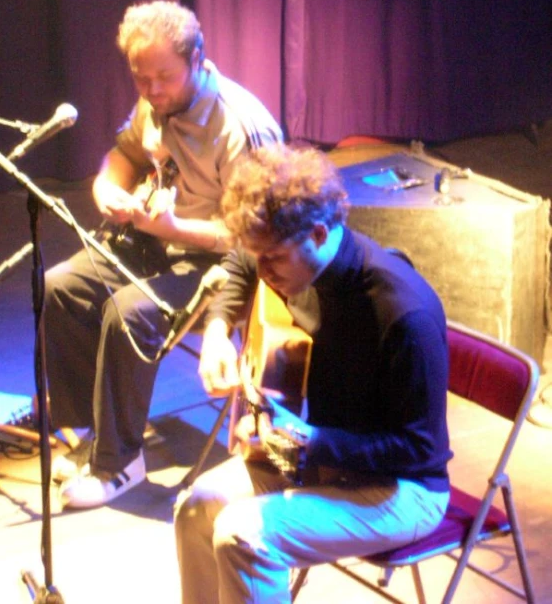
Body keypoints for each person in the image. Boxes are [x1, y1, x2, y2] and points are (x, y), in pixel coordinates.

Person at [174, 144, 452, 604]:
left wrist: (307, 440)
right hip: (325, 460)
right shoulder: (291, 255)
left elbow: (420, 448)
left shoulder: (403, 312)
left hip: (403, 490)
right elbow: (244, 263)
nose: (263, 271)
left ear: (319, 234)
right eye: (259, 256)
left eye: (274, 260)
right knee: (196, 506)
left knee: (244, 535)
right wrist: (219, 330)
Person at [44, 0, 283, 509]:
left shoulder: (238, 126)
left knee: (127, 313)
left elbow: (256, 235)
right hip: (160, 238)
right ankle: (91, 431)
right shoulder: (157, 105)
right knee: (60, 286)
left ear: (197, 58)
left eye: (164, 78)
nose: (152, 91)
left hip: (223, 261)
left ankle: (118, 463)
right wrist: (107, 187)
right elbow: (125, 153)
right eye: (140, 79)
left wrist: (177, 228)